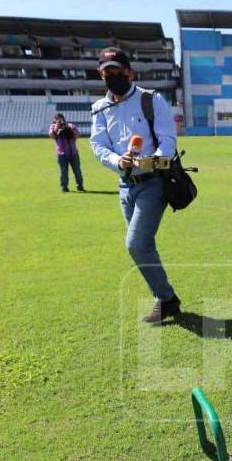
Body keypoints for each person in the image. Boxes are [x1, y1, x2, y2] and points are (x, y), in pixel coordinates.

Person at [89, 46, 182, 324]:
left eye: (118, 71)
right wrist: (119, 160)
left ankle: (166, 299)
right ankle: (166, 299)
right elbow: (97, 145)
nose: (113, 76)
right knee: (143, 245)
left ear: (130, 72)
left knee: (135, 244)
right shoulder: (99, 108)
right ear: (100, 74)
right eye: (108, 72)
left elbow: (168, 138)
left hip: (153, 182)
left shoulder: (151, 100)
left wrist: (151, 160)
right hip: (124, 186)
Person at [49, 113, 85, 193]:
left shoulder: (70, 125)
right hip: (61, 153)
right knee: (63, 172)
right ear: (55, 120)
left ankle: (80, 186)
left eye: (61, 119)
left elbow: (77, 135)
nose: (60, 121)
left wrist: (69, 129)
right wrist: (57, 128)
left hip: (73, 152)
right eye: (57, 119)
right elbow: (52, 136)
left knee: (77, 171)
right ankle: (64, 187)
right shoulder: (53, 127)